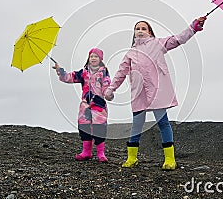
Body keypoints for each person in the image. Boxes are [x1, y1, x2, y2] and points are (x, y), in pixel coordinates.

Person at [104, 17, 206, 170]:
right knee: (136, 126)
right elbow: (121, 72)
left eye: (143, 28)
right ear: (134, 33)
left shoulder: (158, 44)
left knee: (163, 123)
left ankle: (170, 159)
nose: (140, 31)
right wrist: (111, 89)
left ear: (150, 32)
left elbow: (178, 39)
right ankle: (132, 158)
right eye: (137, 28)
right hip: (139, 93)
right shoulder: (131, 53)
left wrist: (193, 27)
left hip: (157, 91)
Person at [54, 48, 111, 162]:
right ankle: (86, 152)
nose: (93, 58)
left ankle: (101, 154)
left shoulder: (103, 72)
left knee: (99, 128)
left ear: (100, 59)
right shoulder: (83, 72)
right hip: (85, 106)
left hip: (99, 106)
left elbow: (106, 85)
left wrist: (108, 94)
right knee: (84, 127)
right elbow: (69, 77)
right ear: (88, 59)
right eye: (91, 56)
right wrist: (60, 70)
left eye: (96, 56)